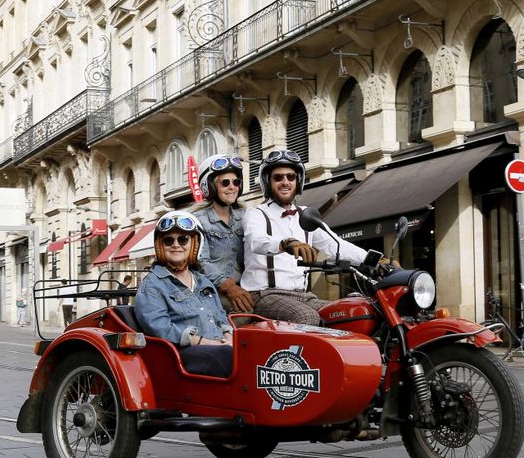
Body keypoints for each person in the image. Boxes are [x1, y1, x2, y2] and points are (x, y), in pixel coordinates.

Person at [242, 149, 377, 326]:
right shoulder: (255, 214)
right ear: (267, 182)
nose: (285, 182)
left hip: (304, 295)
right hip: (265, 295)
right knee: (307, 318)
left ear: (298, 181)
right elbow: (257, 242)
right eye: (278, 177)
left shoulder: (305, 215)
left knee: (353, 313)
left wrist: (376, 261)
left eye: (291, 177)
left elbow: (335, 244)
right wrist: (286, 244)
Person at [134, 210, 234, 377]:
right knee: (228, 357)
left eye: (183, 239)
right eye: (168, 240)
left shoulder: (204, 281)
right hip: (181, 354)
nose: (176, 244)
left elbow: (221, 317)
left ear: (194, 244)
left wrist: (229, 336)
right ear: (160, 246)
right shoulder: (152, 285)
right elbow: (160, 329)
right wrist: (205, 342)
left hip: (219, 348)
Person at [193, 154, 252, 314]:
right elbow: (201, 261)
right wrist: (229, 286)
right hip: (212, 290)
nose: (232, 187)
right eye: (225, 183)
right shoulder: (198, 220)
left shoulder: (247, 216)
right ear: (210, 186)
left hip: (244, 287)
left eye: (236, 182)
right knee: (242, 317)